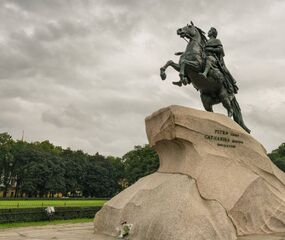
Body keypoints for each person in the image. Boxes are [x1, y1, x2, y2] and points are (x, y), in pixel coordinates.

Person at [200, 27, 239, 94]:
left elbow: (220, 50)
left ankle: (205, 73)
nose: (208, 32)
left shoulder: (217, 40)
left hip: (214, 59)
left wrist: (209, 49)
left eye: (210, 31)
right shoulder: (206, 42)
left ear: (213, 33)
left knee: (209, 58)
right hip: (205, 58)